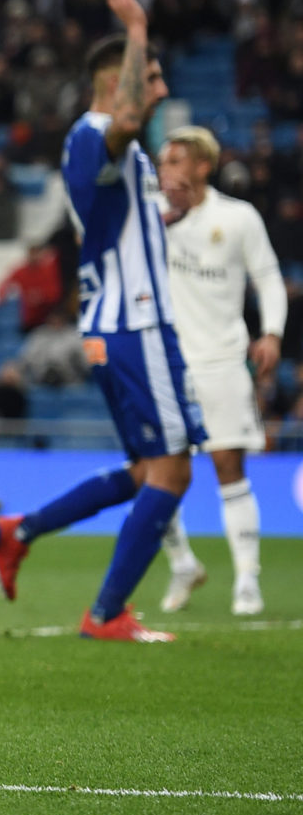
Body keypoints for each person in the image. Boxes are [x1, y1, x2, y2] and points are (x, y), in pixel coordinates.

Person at [0, 0, 207, 642]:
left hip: (116, 326)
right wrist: (136, 26)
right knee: (173, 471)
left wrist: (169, 215)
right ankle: (106, 613)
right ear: (117, 82)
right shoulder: (94, 133)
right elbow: (131, 116)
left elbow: (118, 225)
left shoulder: (119, 151)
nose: (162, 87)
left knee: (145, 470)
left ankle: (18, 530)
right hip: (136, 322)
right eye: (152, 75)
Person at [153, 125, 287, 615]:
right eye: (163, 161)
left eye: (175, 160)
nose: (166, 168)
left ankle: (247, 581)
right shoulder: (153, 219)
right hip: (166, 364)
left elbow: (268, 277)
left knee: (229, 469)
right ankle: (183, 564)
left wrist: (271, 331)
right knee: (155, 472)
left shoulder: (237, 217)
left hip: (223, 362)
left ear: (202, 165)